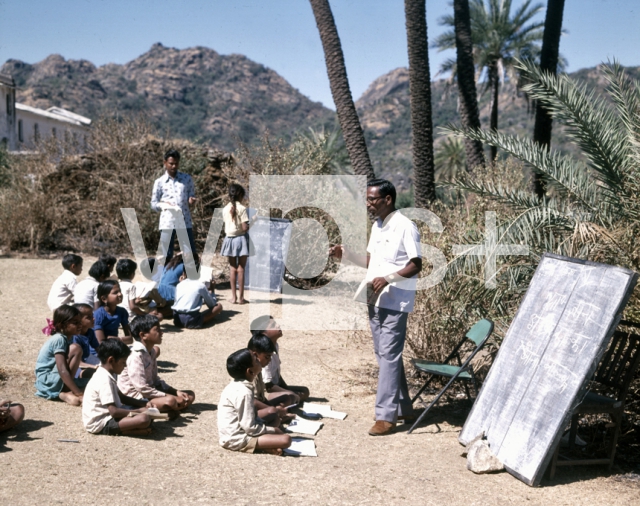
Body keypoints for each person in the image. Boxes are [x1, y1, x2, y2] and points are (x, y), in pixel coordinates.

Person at [329, 178, 422, 436]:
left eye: (372, 199)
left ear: (388, 199)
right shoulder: (378, 226)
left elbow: (416, 264)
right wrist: (345, 254)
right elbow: (370, 261)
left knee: (389, 354)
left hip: (395, 300)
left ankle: (385, 417)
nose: (368, 204)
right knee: (384, 355)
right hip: (374, 298)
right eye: (367, 199)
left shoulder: (405, 226)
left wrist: (389, 278)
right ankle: (403, 407)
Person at [218, 348, 291, 455]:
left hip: (243, 430)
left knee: (274, 419)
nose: (258, 359)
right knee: (286, 440)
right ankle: (260, 446)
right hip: (235, 438)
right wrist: (273, 431)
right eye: (255, 359)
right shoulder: (244, 392)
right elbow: (249, 428)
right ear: (250, 371)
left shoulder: (237, 384)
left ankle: (266, 447)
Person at [118, 314, 195, 414]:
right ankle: (170, 407)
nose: (162, 332)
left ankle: (171, 408)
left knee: (189, 395)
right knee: (171, 401)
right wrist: (168, 396)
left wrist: (176, 392)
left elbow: (155, 380)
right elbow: (141, 388)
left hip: (150, 391)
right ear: (143, 335)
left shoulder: (151, 352)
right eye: (157, 330)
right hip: (136, 397)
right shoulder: (135, 356)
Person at [82, 338, 153, 436]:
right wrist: (138, 411)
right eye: (123, 362)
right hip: (100, 422)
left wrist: (143, 404)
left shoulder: (110, 372)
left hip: (110, 415)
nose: (124, 366)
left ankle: (129, 428)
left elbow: (122, 397)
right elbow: (114, 412)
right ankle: (125, 431)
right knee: (144, 419)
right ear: (111, 360)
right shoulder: (103, 379)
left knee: (148, 416)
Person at [150, 149, 198, 263]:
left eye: (176, 163)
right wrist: (163, 206)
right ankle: (165, 278)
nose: (174, 166)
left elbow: (191, 194)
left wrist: (191, 200)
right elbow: (153, 203)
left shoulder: (186, 179)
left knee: (189, 252)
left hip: (184, 220)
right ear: (165, 163)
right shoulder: (160, 182)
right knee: (166, 253)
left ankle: (190, 278)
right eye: (171, 163)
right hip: (167, 221)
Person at [250, 315, 309, 404]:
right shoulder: (263, 354)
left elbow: (277, 373)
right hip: (267, 391)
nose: (278, 325)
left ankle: (288, 401)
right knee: (291, 397)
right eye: (273, 325)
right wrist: (289, 393)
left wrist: (287, 389)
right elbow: (268, 385)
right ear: (263, 333)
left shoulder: (275, 346)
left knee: (304, 391)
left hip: (276, 385)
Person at [34, 305, 85, 406]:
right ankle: (66, 390)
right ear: (62, 325)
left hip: (48, 382)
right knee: (76, 348)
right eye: (75, 323)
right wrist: (78, 393)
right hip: (48, 381)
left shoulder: (66, 338)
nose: (79, 325)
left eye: (80, 322)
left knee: (89, 380)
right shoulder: (59, 339)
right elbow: (62, 369)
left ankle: (61, 394)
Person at [248, 333, 295, 423]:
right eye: (267, 357)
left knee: (287, 398)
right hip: (250, 410)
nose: (269, 361)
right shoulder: (249, 374)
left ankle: (278, 416)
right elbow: (253, 402)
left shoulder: (259, 370)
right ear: (255, 355)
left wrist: (274, 408)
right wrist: (274, 410)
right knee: (275, 419)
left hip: (260, 406)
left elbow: (261, 397)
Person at [221, 183, 250, 304]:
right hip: (240, 239)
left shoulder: (225, 209)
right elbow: (244, 228)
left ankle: (233, 297)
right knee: (241, 268)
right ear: (240, 195)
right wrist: (252, 222)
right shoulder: (242, 209)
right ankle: (241, 298)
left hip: (229, 239)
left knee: (232, 268)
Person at [72, 303, 101, 375]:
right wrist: (94, 367)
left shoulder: (90, 331)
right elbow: (78, 362)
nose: (93, 318)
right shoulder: (75, 337)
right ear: (78, 320)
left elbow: (98, 349)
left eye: (92, 316)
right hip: (76, 365)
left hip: (86, 360)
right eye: (89, 317)